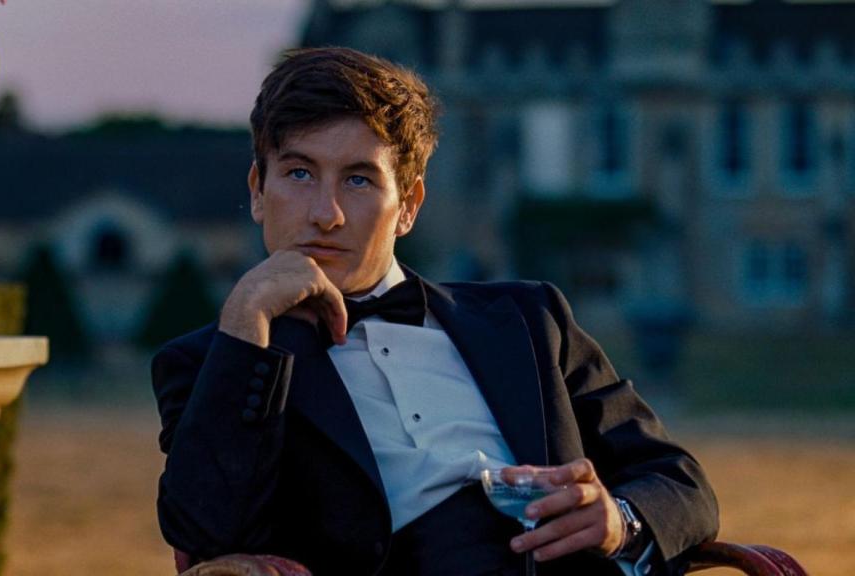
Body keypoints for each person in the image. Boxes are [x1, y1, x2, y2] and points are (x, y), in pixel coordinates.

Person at [152, 47, 718, 576]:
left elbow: (680, 483)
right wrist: (245, 319)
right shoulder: (212, 361)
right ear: (258, 190)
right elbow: (206, 534)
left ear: (409, 206)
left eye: (358, 180)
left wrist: (620, 521)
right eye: (299, 174)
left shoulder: (529, 319)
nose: (326, 214)